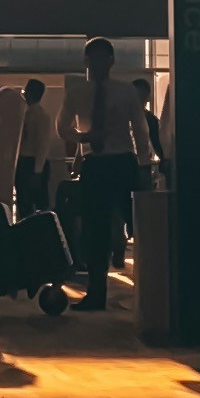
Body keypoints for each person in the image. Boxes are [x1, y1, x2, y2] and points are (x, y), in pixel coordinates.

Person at [64, 38, 158, 311]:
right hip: (96, 162)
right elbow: (62, 127)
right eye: (94, 59)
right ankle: (96, 294)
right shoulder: (78, 92)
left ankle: (152, 289)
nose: (99, 64)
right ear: (87, 62)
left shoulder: (124, 91)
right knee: (96, 232)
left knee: (138, 226)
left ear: (111, 61)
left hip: (122, 162)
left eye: (103, 59)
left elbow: (141, 130)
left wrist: (143, 165)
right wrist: (83, 136)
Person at [15, 75, 61, 216]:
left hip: (31, 161)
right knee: (26, 200)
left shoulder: (39, 116)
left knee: (31, 201)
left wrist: (37, 170)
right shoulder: (29, 114)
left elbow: (43, 145)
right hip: (28, 162)